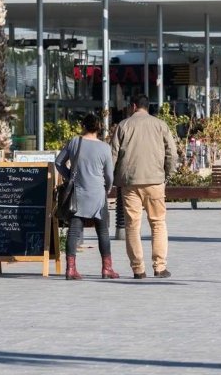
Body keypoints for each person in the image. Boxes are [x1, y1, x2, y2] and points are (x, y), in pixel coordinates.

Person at [110, 93, 178, 279]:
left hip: (130, 182)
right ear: (148, 107)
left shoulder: (123, 125)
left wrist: (110, 180)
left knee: (132, 225)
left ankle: (138, 269)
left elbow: (113, 155)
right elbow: (172, 153)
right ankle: (160, 267)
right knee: (158, 223)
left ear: (133, 106)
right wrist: (167, 175)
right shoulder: (160, 125)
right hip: (155, 181)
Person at [54, 113, 117, 280]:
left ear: (83, 126)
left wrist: (69, 177)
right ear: (99, 128)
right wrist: (107, 189)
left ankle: (71, 269)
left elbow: (58, 162)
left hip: (78, 194)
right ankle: (107, 269)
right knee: (102, 231)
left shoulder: (75, 142)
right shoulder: (104, 148)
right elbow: (109, 175)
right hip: (98, 195)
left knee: (73, 231)